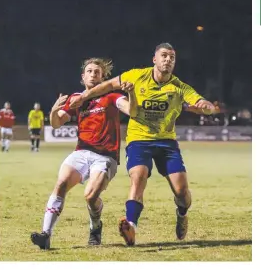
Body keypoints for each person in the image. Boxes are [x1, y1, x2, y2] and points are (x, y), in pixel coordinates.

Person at [69, 43, 218, 246]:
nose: (168, 60)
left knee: (181, 193)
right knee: (138, 178)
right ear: (154, 59)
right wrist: (85, 95)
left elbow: (204, 104)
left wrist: (207, 108)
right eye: (164, 56)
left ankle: (182, 214)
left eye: (172, 57)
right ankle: (131, 227)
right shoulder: (136, 75)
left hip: (166, 142)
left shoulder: (179, 87)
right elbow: (109, 85)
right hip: (139, 140)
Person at [31, 58, 136, 250]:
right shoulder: (76, 99)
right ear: (83, 76)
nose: (93, 75)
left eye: (97, 72)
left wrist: (130, 93)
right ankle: (46, 235)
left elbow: (130, 110)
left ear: (104, 78)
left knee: (90, 197)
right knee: (61, 184)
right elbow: (56, 123)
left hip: (105, 157)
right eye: (90, 71)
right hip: (81, 152)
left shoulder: (112, 97)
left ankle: (95, 226)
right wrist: (54, 110)